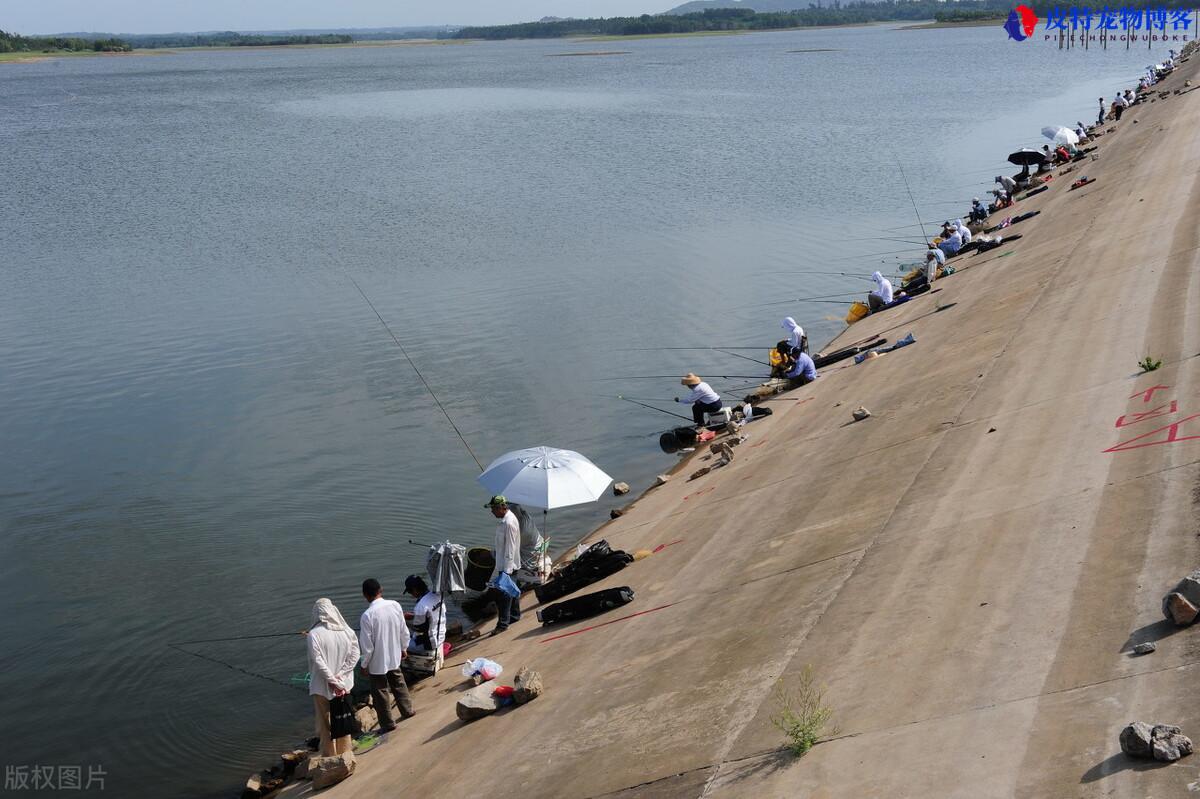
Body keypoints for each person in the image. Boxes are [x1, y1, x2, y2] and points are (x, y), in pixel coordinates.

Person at [358, 578, 415, 731]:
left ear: (365, 595)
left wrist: (364, 664)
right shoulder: (395, 605)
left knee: (380, 692)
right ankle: (408, 710)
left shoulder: (367, 615)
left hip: (377, 661)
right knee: (399, 682)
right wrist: (404, 647)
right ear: (380, 590)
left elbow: (367, 646)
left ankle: (388, 724)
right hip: (394, 653)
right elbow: (403, 630)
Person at [308, 598, 360, 757]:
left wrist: (332, 681)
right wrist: (341, 677)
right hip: (344, 685)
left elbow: (318, 662)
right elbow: (355, 654)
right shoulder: (347, 631)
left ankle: (329, 756)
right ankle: (345, 754)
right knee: (342, 718)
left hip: (322, 687)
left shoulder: (314, 635)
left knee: (325, 724)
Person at [485, 495, 522, 635]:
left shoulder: (509, 523)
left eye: (494, 508)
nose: (492, 512)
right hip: (506, 563)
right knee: (513, 590)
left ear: (501, 508)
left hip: (509, 565)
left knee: (504, 594)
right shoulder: (505, 521)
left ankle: (503, 624)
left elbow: (510, 548)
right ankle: (514, 615)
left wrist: (506, 571)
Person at [404, 574, 446, 665]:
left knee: (398, 644)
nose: (411, 594)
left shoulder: (420, 605)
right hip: (441, 636)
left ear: (414, 590)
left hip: (429, 644)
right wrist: (413, 616)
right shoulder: (437, 595)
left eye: (410, 592)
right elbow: (432, 615)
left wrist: (405, 623)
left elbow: (419, 630)